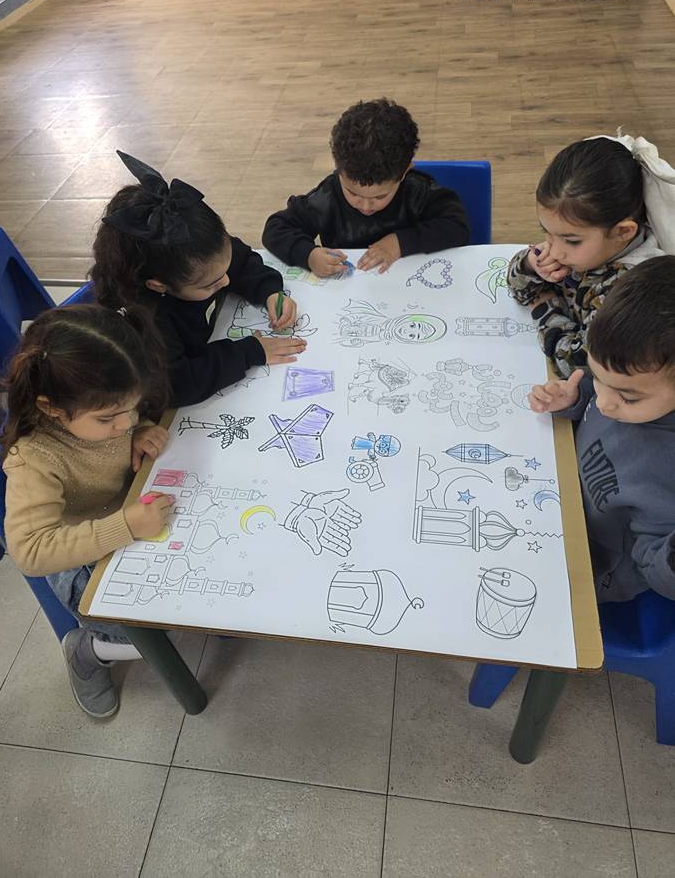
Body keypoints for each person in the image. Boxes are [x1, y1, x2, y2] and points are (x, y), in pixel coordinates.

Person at [1, 304, 173, 718]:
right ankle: (89, 650)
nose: (123, 423)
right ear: (51, 408)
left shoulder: (103, 404)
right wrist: (124, 526)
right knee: (155, 633)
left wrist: (141, 429)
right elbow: (31, 552)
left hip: (127, 517)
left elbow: (125, 421)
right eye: (109, 418)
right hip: (77, 558)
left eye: (131, 408)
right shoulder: (34, 459)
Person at [91, 151, 306, 407]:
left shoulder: (201, 255)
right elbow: (177, 385)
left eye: (224, 269)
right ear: (159, 285)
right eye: (210, 284)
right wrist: (248, 352)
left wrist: (268, 291)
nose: (225, 282)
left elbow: (241, 260)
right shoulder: (147, 320)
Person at [528, 256, 675, 602]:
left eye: (627, 397)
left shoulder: (665, 469)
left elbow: (654, 568)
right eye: (598, 377)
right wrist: (577, 398)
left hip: (592, 570)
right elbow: (600, 398)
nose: (605, 403)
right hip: (553, 495)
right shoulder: (631, 382)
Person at [507, 134, 675, 377]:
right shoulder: (585, 246)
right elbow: (517, 286)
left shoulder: (632, 293)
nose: (554, 250)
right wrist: (531, 265)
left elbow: (578, 366)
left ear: (623, 232)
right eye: (547, 232)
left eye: (571, 240)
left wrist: (545, 307)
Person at [262, 98, 470, 277]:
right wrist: (308, 255)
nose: (365, 205)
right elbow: (276, 228)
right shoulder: (328, 196)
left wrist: (399, 243)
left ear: (404, 172)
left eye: (379, 197)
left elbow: (457, 228)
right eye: (353, 193)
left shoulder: (417, 192)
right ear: (339, 170)